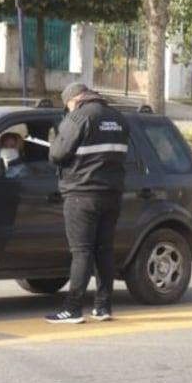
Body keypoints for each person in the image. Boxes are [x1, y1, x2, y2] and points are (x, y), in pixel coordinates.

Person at [45, 82, 130, 324]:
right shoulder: (119, 118)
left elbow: (58, 155)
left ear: (74, 100)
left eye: (68, 106)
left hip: (82, 193)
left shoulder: (79, 117)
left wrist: (56, 139)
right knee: (105, 250)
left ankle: (72, 308)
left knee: (81, 251)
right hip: (112, 194)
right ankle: (103, 307)